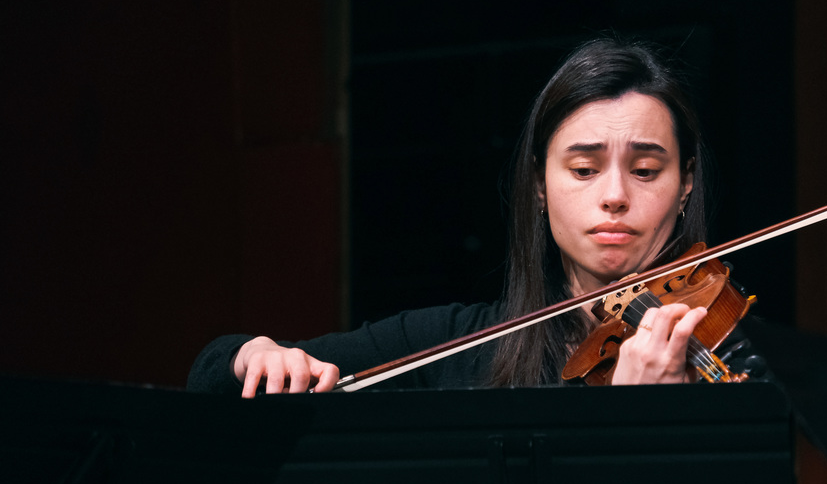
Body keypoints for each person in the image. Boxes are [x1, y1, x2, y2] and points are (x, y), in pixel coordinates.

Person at [188, 36, 720, 397]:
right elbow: (211, 377)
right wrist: (253, 354)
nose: (615, 196)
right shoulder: (458, 345)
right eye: (583, 169)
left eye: (646, 170)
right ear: (539, 186)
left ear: (684, 186)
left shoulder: (734, 355)